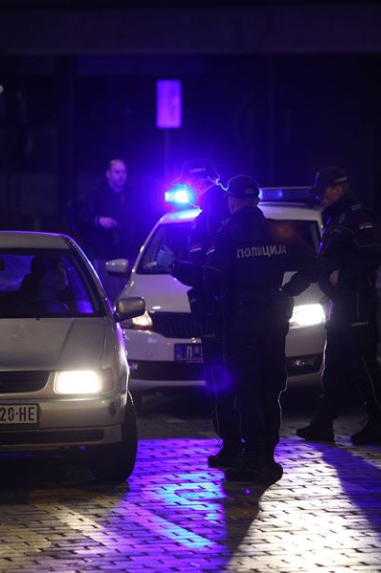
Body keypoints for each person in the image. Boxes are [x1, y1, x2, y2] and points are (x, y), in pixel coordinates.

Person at [202, 175, 314, 483]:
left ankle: (253, 459)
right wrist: (289, 290)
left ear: (232, 201)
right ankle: (268, 456)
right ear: (257, 200)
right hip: (274, 317)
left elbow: (211, 277)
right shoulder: (277, 230)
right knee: (270, 388)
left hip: (243, 321)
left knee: (247, 390)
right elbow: (311, 263)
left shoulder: (229, 234)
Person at [283, 166, 381, 446]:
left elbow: (374, 253)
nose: (321, 198)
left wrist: (344, 275)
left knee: (364, 364)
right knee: (335, 365)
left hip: (356, 304)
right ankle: (323, 422)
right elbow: (323, 261)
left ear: (338, 188)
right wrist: (294, 287)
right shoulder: (337, 215)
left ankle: (378, 423)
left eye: (323, 192)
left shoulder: (356, 215)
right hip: (341, 304)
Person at [169, 159, 240, 469]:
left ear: (196, 183)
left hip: (218, 312)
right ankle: (243, 443)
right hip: (235, 310)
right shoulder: (230, 210)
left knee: (220, 379)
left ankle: (232, 445)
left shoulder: (210, 216)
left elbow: (209, 271)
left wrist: (183, 271)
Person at [76, 158, 143, 302]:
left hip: (128, 254)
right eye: (117, 172)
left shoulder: (131, 194)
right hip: (104, 255)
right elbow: (81, 217)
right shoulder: (97, 195)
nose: (121, 175)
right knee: (109, 295)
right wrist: (99, 220)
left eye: (124, 172)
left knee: (128, 297)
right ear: (108, 174)